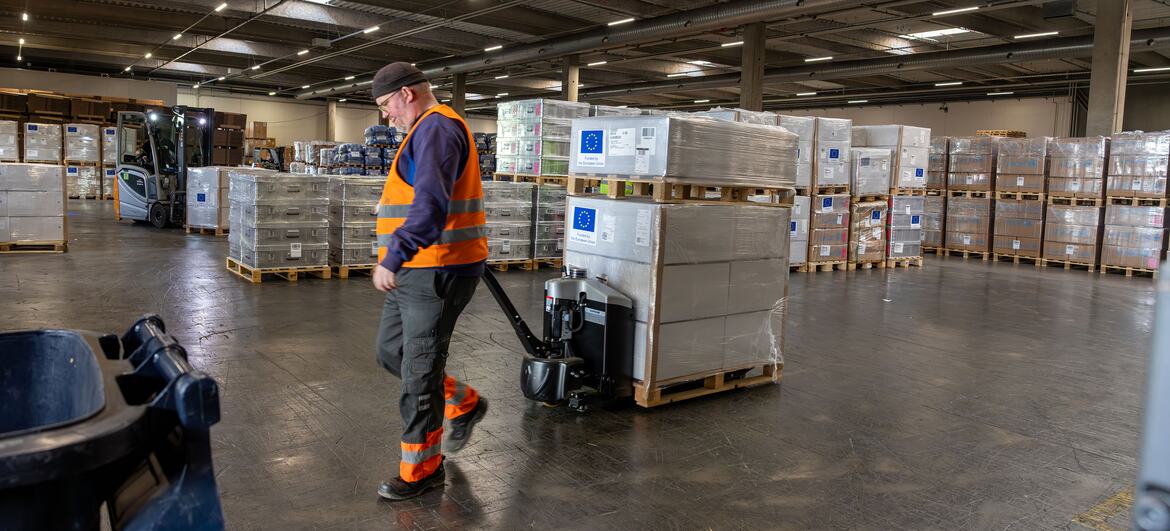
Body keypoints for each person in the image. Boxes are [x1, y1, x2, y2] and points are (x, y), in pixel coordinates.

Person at [369, 62, 489, 501]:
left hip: (435, 269)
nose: (386, 116)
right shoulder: (424, 131)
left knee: (418, 373)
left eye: (386, 106)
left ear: (407, 93)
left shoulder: (436, 129)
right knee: (392, 353)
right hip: (415, 269)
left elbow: (430, 208)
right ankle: (464, 401)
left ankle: (422, 470)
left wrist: (394, 256)